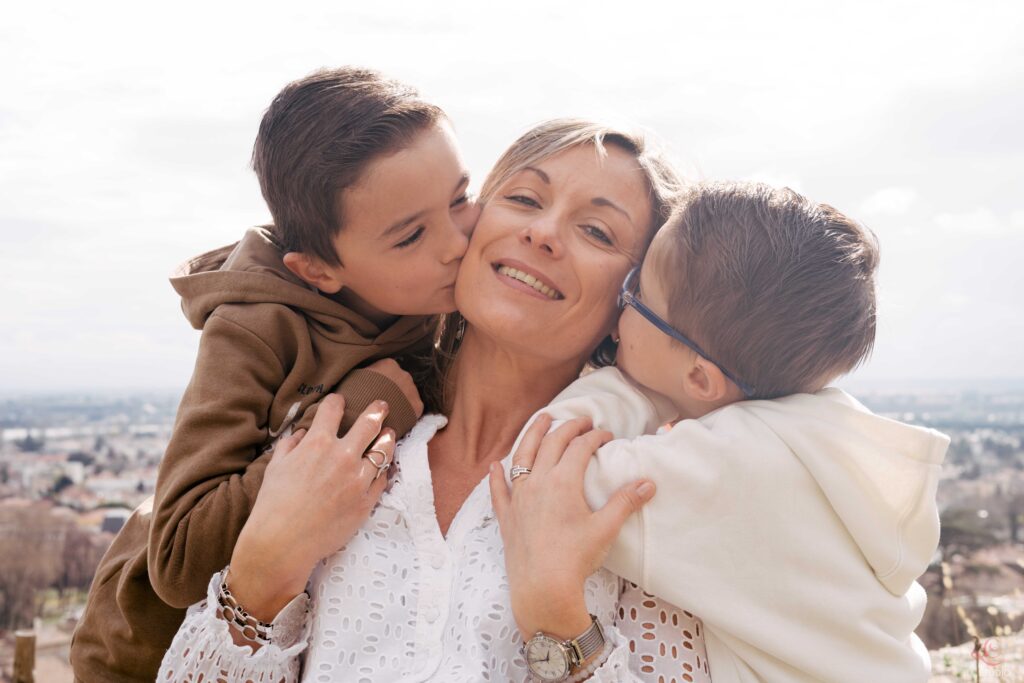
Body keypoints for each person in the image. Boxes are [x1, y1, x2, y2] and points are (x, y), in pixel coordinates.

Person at [157, 119, 715, 682]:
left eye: (596, 231)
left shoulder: (640, 494)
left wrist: (560, 620)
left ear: (635, 302)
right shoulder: (332, 442)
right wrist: (261, 575)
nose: (544, 232)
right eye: (523, 198)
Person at [71, 66, 477, 682]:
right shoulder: (254, 327)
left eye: (461, 199)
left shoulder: (432, 301)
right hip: (147, 653)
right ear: (317, 270)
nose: (456, 243)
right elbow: (178, 560)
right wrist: (366, 408)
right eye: (413, 235)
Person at [500, 182, 948, 682]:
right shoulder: (825, 433)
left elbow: (553, 472)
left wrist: (639, 387)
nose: (617, 312)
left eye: (637, 294)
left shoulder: (730, 465)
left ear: (700, 378)